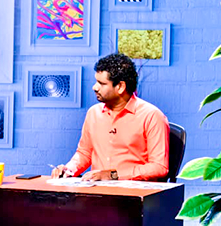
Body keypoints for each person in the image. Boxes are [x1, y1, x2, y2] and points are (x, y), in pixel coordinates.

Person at [51, 53, 169, 181]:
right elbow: (84, 153)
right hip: (97, 189)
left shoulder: (152, 116)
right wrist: (68, 170)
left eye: (101, 83)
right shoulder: (93, 113)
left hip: (135, 190)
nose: (94, 87)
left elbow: (159, 167)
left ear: (120, 87)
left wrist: (113, 175)